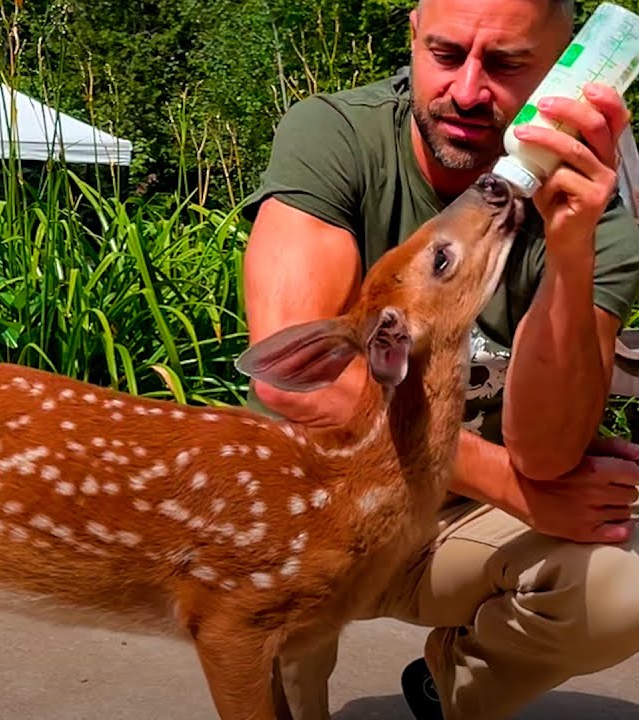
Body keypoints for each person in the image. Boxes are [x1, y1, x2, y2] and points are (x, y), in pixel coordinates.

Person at [238, 0, 639, 718]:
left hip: (457, 523)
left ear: (565, 66)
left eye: (508, 64)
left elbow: (546, 454)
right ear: (414, 36)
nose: (467, 90)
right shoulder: (336, 133)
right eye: (447, 54)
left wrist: (571, 252)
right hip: (319, 502)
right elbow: (298, 383)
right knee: (276, 655)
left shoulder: (593, 201)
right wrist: (521, 492)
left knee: (624, 584)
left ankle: (454, 687)